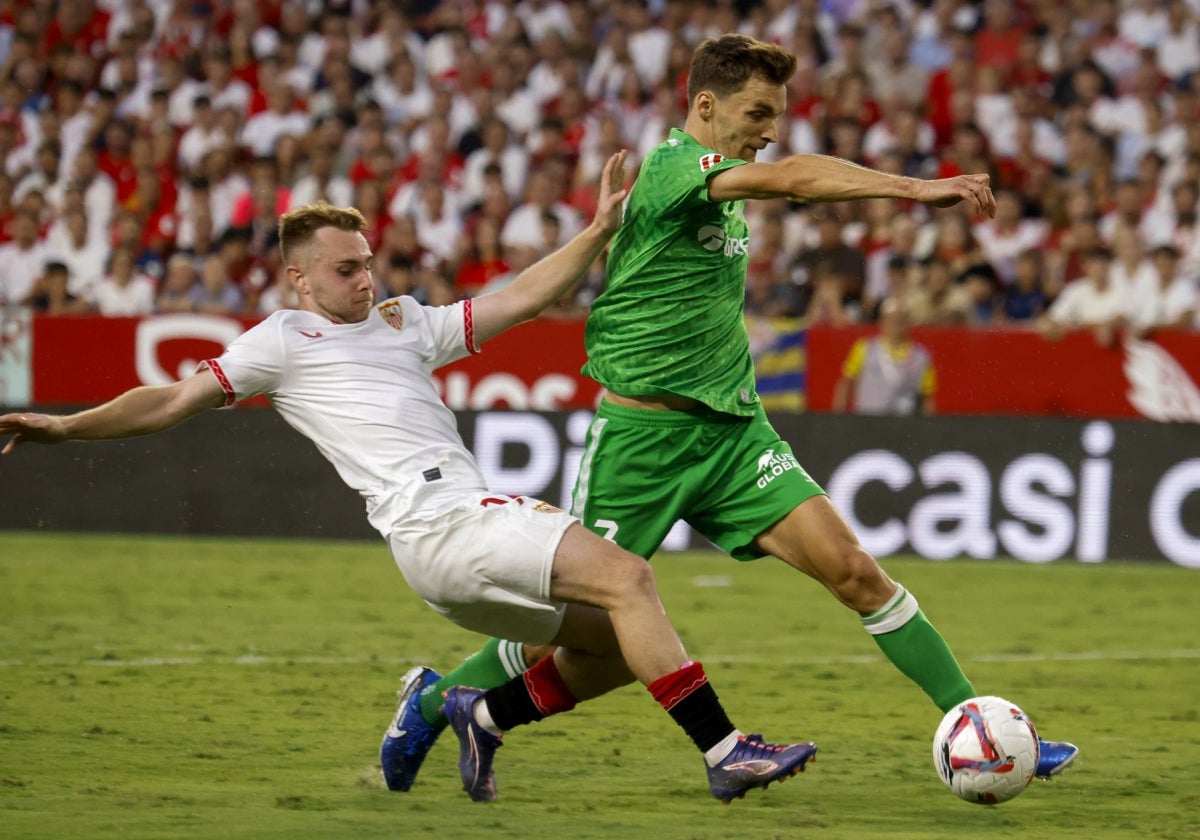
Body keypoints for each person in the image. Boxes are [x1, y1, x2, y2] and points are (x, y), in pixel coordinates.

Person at [0, 152, 817, 805]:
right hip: (443, 524)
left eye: (367, 264)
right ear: (300, 277)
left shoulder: (402, 323)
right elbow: (171, 400)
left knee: (614, 646)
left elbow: (520, 300)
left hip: (449, 554)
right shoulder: (280, 340)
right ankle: (725, 751)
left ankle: (467, 709)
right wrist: (66, 426)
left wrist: (601, 229)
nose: (365, 279)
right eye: (347, 269)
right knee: (631, 575)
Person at [382, 33, 1078, 796]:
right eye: (757, 111)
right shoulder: (677, 166)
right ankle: (438, 702)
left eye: (776, 114)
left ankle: (983, 727)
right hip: (642, 443)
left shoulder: (725, 180)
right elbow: (792, 180)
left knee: (855, 572)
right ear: (705, 106)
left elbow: (776, 174)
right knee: (579, 634)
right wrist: (915, 189)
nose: (770, 127)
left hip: (735, 434)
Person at [831, 298, 936, 415]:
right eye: (892, 320)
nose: (897, 325)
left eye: (901, 320)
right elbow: (846, 384)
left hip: (906, 427)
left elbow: (927, 397)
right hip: (868, 423)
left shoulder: (921, 356)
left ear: (908, 322)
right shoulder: (865, 348)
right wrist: (839, 418)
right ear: (882, 321)